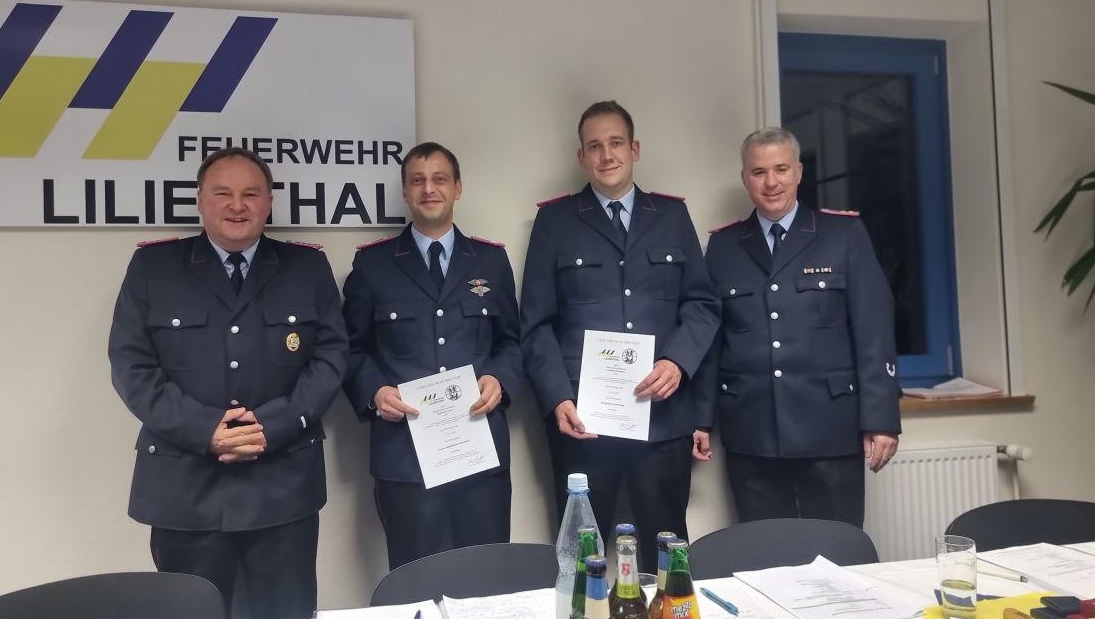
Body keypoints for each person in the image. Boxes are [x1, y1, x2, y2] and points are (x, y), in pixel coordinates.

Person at [108, 147, 347, 619]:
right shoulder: (153, 268)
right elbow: (132, 365)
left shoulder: (307, 267)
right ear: (200, 200)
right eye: (223, 193)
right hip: (186, 489)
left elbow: (331, 357)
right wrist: (204, 430)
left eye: (251, 194)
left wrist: (272, 426)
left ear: (269, 203)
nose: (237, 205)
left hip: (282, 486)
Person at [520, 101, 719, 567]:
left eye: (615, 143)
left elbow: (702, 304)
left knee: (667, 555)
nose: (606, 155)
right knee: (580, 558)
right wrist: (557, 398)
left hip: (662, 417)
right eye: (595, 146)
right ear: (581, 157)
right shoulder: (555, 222)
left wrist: (677, 362)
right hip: (582, 421)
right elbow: (536, 324)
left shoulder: (671, 215)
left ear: (634, 149)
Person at [697, 127, 900, 526]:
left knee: (836, 550)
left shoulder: (843, 235)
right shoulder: (723, 246)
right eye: (759, 172)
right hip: (752, 431)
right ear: (745, 178)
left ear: (799, 172)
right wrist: (700, 419)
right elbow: (710, 338)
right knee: (765, 551)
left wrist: (881, 420)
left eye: (781, 169)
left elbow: (873, 331)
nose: (771, 182)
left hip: (830, 429)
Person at [342, 142, 523, 569]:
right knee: (416, 579)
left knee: (485, 578)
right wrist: (375, 392)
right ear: (405, 192)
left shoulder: (491, 261)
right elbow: (350, 348)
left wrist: (499, 379)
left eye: (439, 179)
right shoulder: (373, 265)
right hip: (405, 458)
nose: (429, 189)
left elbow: (512, 342)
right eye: (418, 181)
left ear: (457, 187)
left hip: (479, 452)